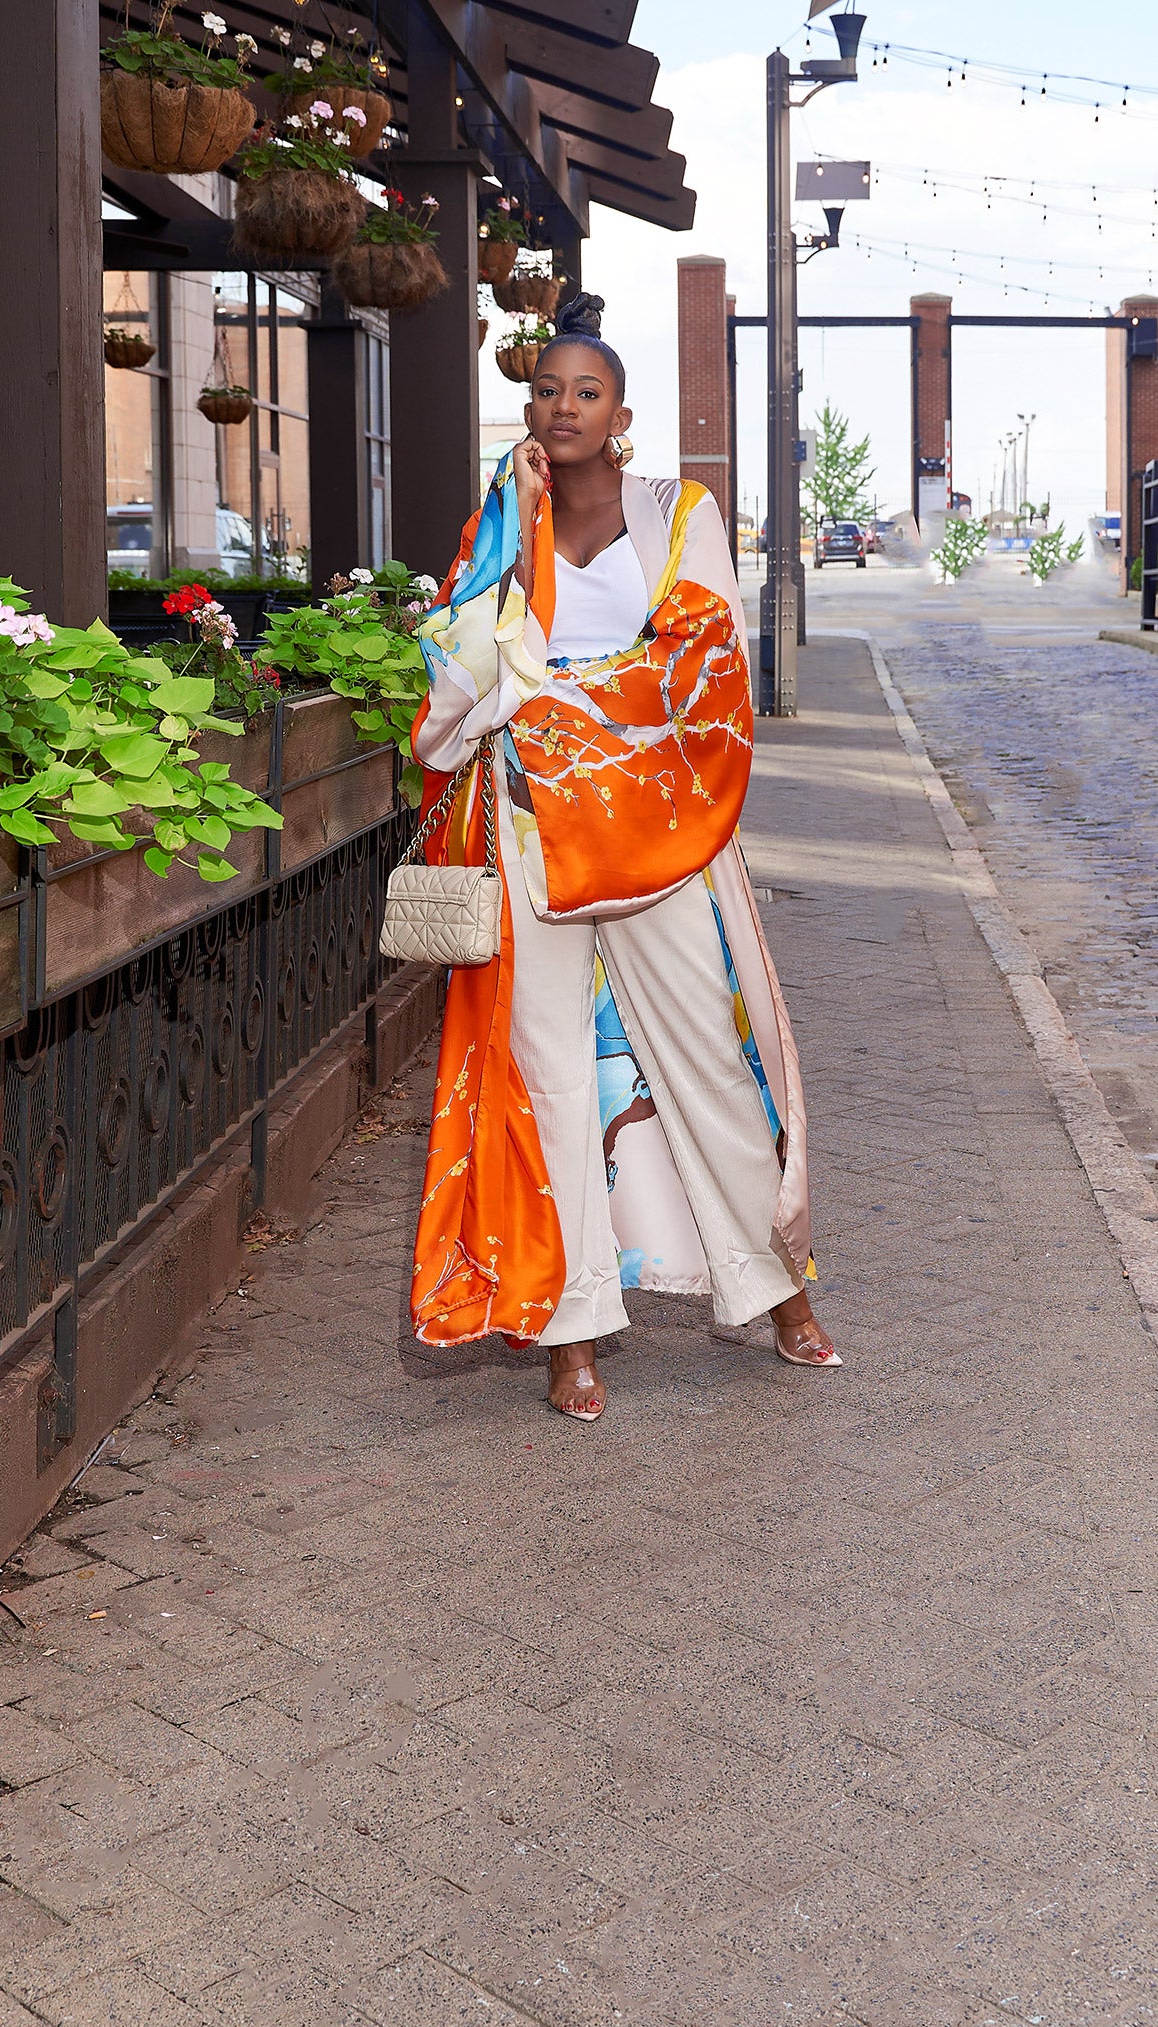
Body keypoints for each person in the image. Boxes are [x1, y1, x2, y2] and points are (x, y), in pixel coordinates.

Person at [407, 293, 840, 1420]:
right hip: (528, 832)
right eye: (546, 389)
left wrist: (543, 695)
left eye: (584, 392)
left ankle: (777, 1285)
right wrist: (529, 691)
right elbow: (454, 666)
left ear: (621, 413)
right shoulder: (495, 523)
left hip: (659, 833)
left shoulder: (678, 513)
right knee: (548, 1076)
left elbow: (700, 664)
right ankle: (571, 1333)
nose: (561, 408)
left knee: (705, 1053)